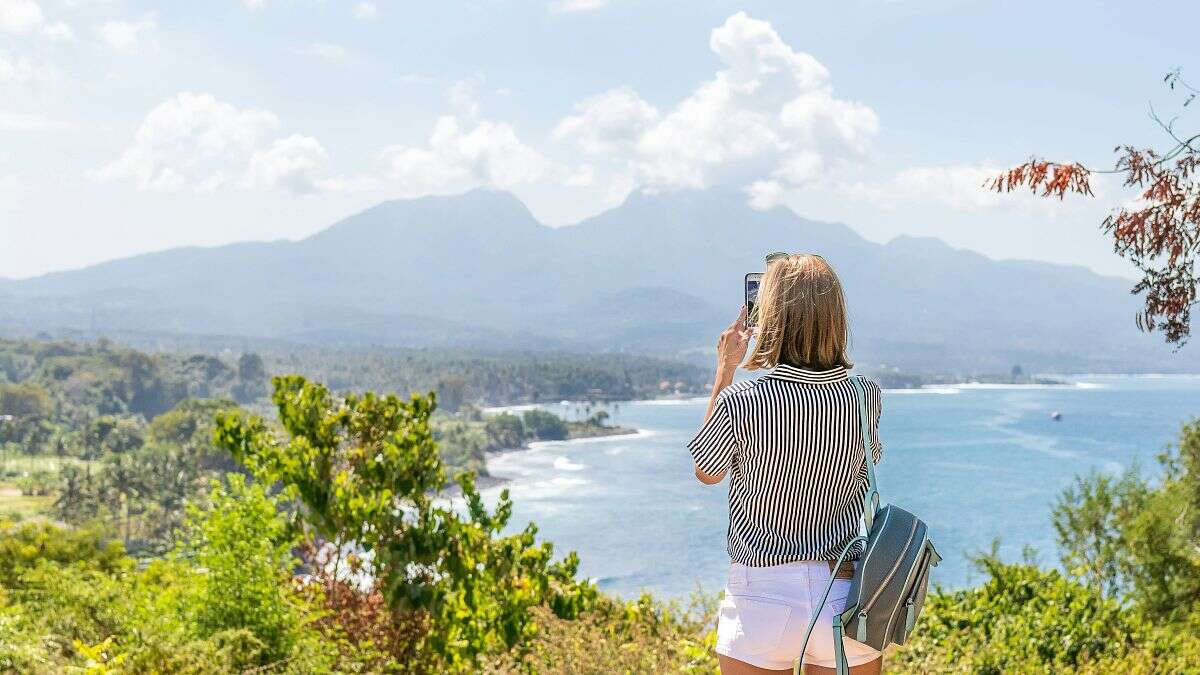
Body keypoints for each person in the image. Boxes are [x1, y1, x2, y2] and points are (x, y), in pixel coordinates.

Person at [688, 253, 884, 675]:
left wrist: (725, 370)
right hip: (844, 591)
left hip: (762, 593)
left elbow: (707, 469)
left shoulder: (744, 400)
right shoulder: (866, 395)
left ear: (772, 316)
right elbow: (865, 471)